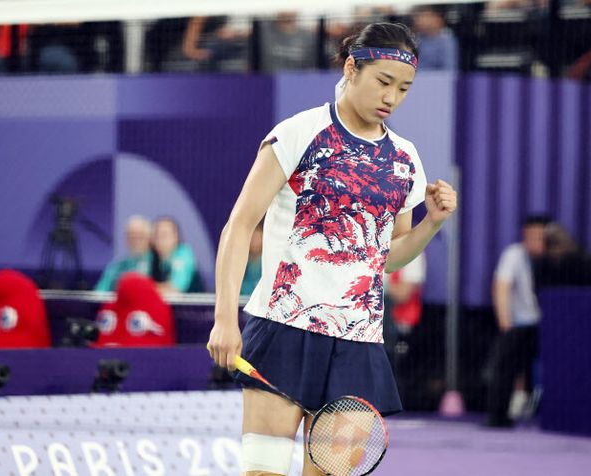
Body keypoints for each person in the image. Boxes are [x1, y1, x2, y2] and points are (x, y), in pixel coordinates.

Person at [207, 22, 458, 476]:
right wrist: (225, 318)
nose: (392, 97)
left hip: (359, 343)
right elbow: (239, 226)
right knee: (263, 472)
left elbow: (388, 258)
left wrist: (432, 223)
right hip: (284, 328)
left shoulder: (405, 160)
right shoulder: (297, 133)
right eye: (383, 82)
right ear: (352, 68)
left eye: (404, 89)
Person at [485, 215, 549, 427]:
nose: (535, 241)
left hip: (550, 326)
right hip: (520, 325)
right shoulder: (514, 254)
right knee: (505, 364)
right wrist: (506, 324)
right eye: (531, 236)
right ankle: (500, 415)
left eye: (540, 237)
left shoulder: (555, 257)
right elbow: (501, 286)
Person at [94, 215, 152, 292]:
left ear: (149, 238)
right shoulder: (116, 267)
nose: (135, 240)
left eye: (140, 236)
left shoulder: (158, 265)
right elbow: (99, 293)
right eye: (131, 236)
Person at [150, 217, 197, 294]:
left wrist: (147, 288)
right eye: (156, 235)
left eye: (164, 235)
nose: (160, 239)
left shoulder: (183, 255)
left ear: (176, 237)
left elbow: (175, 290)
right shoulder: (152, 257)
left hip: (193, 301)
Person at [411, 5, 458, 71]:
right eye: (417, 17)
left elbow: (448, 70)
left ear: (438, 19)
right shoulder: (417, 39)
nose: (419, 21)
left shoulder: (446, 41)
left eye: (425, 16)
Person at [240, 223, 263, 295]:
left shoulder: (268, 262)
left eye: (258, 238)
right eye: (253, 238)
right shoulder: (241, 262)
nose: (255, 242)